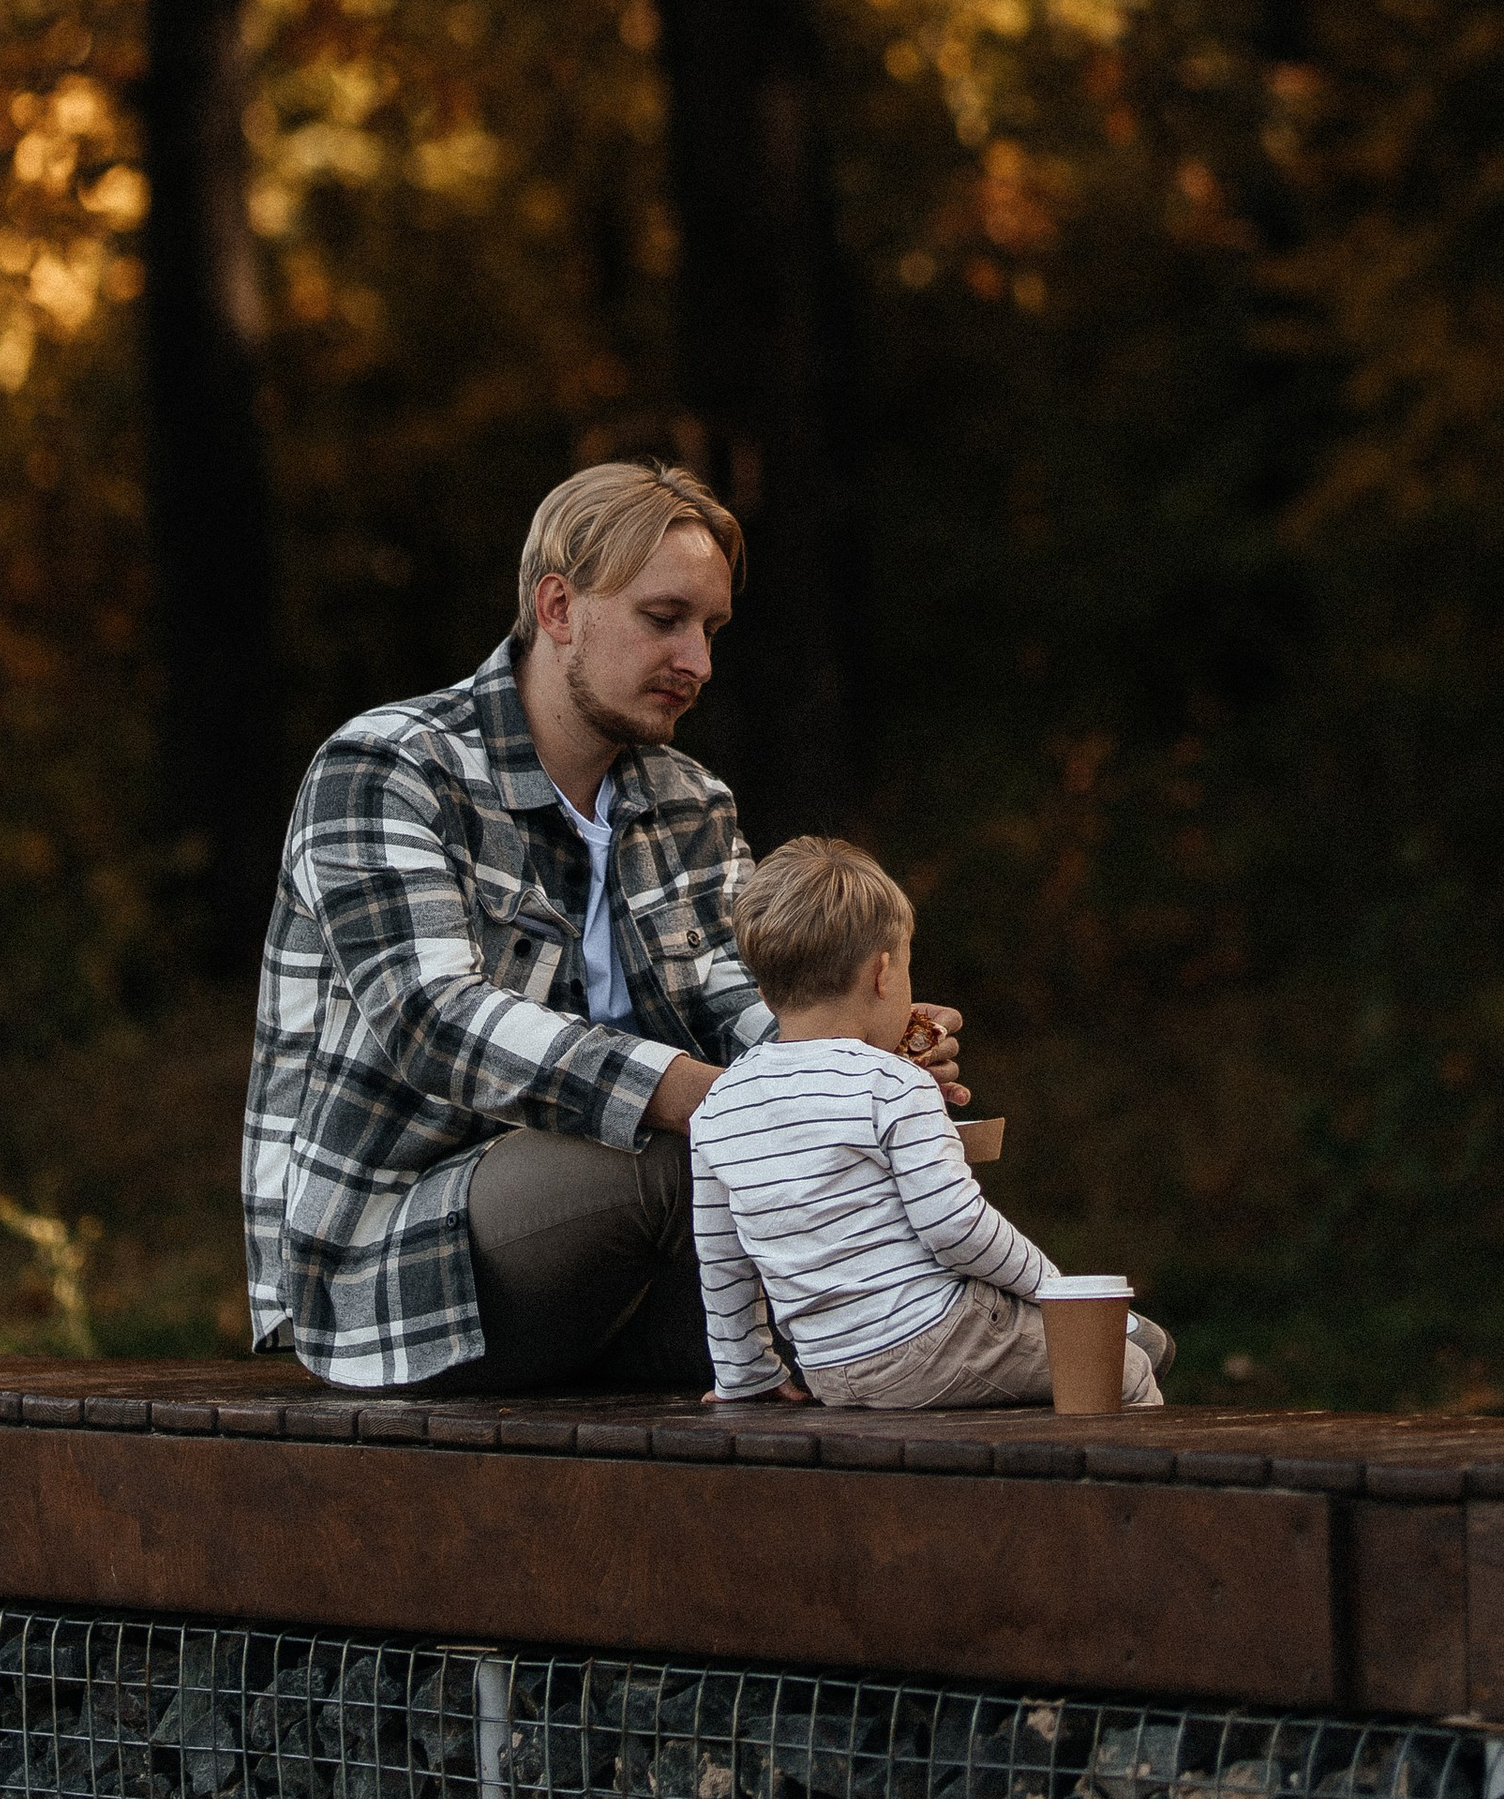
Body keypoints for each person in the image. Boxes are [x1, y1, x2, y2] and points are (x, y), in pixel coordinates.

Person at [242, 460, 967, 1391]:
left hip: (634, 1270)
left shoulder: (692, 803)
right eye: (665, 619)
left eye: (711, 630)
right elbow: (434, 1020)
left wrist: (860, 1053)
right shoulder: (389, 768)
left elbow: (753, 1008)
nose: (698, 663)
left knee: (896, 1151)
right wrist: (717, 1098)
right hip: (404, 1262)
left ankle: (1034, 1352)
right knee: (686, 1155)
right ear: (558, 608)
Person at [690, 835, 1169, 1412]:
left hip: (827, 1368)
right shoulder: (891, 1083)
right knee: (1121, 1366)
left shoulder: (719, 1103)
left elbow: (721, 1256)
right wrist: (1055, 1289)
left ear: (765, 990)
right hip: (932, 1339)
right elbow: (956, 1229)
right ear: (883, 973)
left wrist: (744, 1374)